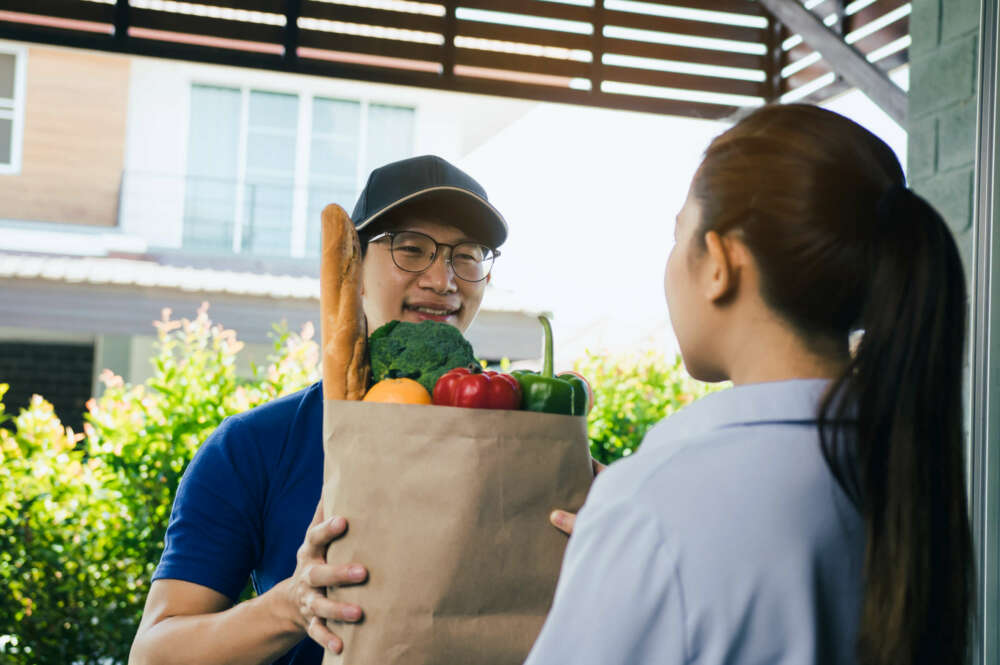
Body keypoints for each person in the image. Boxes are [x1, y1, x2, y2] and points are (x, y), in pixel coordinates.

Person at [527, 104, 973, 665]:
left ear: (720, 262)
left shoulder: (650, 509)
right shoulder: (905, 461)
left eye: (678, 233)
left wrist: (629, 535)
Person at [128, 155, 509, 665]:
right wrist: (291, 606)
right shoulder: (255, 445)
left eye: (467, 256)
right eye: (412, 250)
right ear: (352, 264)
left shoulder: (518, 435)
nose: (443, 280)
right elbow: (154, 654)